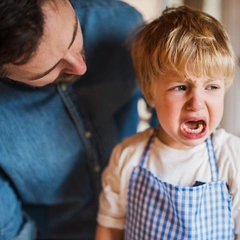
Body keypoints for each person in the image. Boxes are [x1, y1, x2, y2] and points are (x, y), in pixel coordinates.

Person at [0, 0, 145, 239]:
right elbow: (11, 231)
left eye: (74, 34)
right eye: (49, 69)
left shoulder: (122, 24)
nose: (80, 67)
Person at [95, 5, 240, 240]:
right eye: (181, 87)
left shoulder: (232, 158)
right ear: (151, 93)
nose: (197, 102)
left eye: (211, 87)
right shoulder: (127, 156)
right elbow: (110, 230)